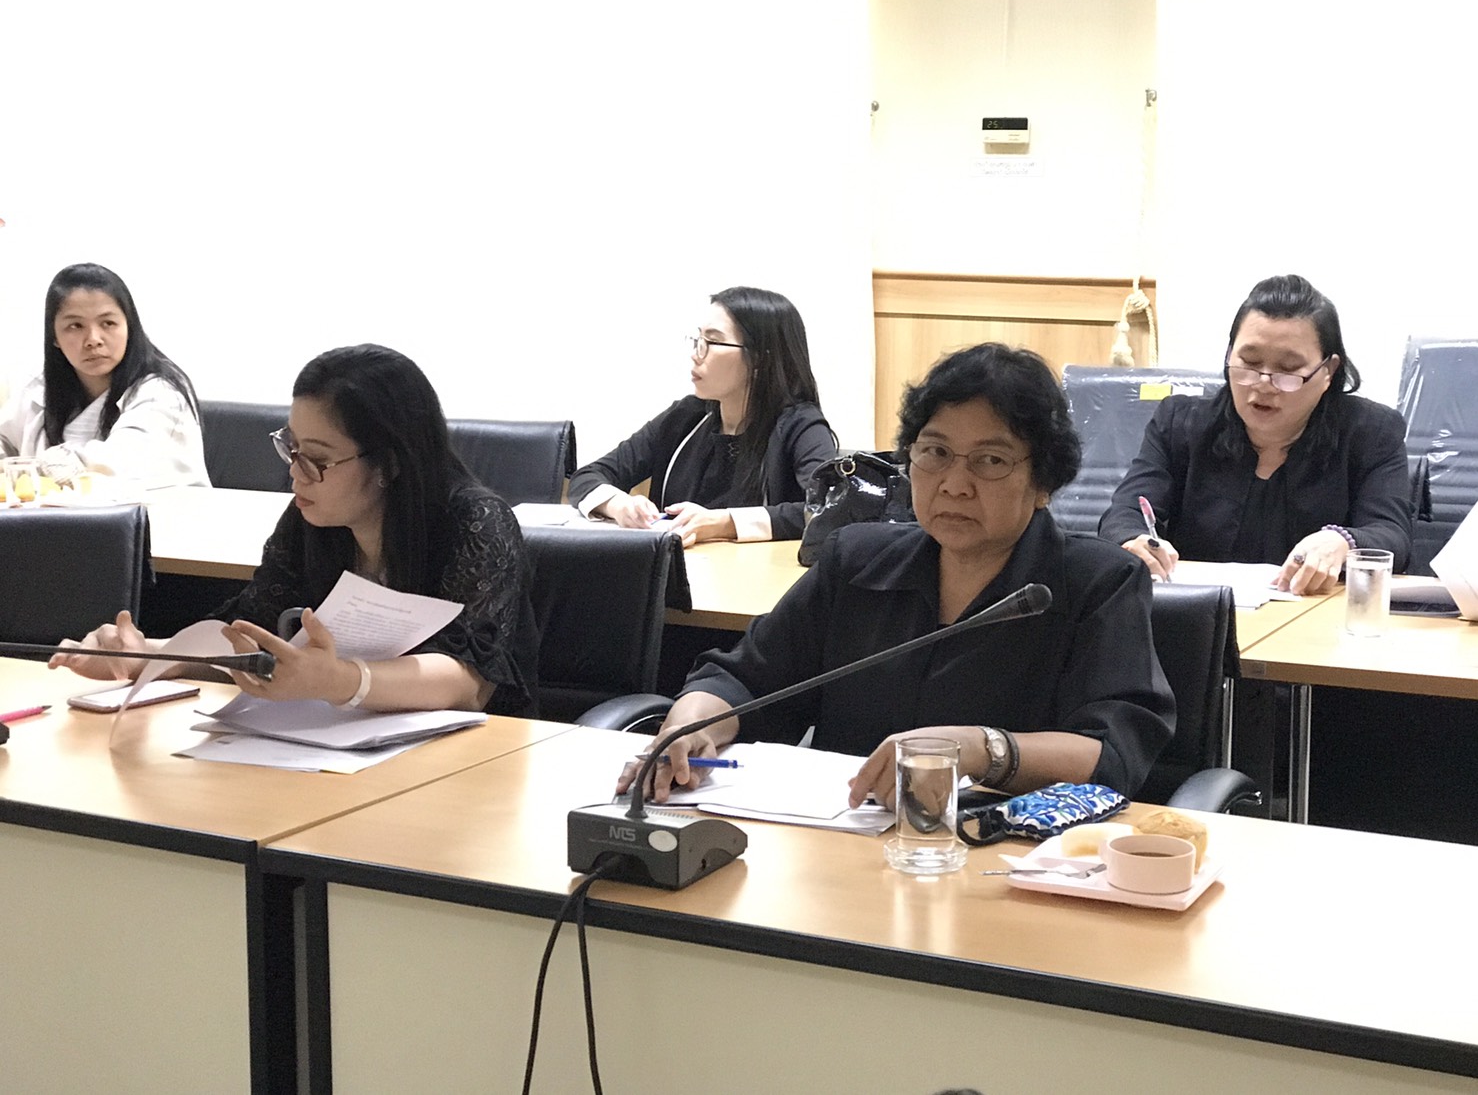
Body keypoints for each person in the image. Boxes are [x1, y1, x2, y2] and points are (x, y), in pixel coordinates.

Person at [617, 342, 1175, 805]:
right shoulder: (857, 559)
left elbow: (1113, 755)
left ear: (1044, 482)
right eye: (934, 452)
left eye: (991, 460)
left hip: (1006, 856)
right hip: (846, 844)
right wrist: (688, 727)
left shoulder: (1098, 582)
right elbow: (743, 680)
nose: (954, 484)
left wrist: (981, 749)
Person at [52, 344, 538, 716]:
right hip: (332, 744)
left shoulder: (476, 522)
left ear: (389, 463)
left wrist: (339, 680)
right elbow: (251, 635)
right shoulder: (311, 519)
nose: (295, 473)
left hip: (476, 757)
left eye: (318, 459)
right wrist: (150, 656)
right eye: (292, 447)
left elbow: (470, 680)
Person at [1099, 274, 1412, 594]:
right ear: (1229, 355)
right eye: (1249, 362)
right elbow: (1124, 514)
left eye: (1288, 369)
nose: (1264, 384)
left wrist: (1343, 541)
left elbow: (1392, 535)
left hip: (1318, 613)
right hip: (1203, 612)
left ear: (1327, 371)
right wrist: (1134, 540)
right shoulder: (1180, 424)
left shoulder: (1371, 432)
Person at [567, 286, 836, 547]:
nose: (696, 355)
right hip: (680, 570)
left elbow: (829, 508)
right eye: (698, 340)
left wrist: (723, 523)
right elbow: (588, 476)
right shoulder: (686, 416)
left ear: (759, 360)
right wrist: (618, 505)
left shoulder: (801, 424)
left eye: (713, 342)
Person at [0, 263, 209, 488]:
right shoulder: (38, 389)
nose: (93, 339)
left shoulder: (162, 392)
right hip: (56, 510)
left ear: (129, 327)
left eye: (108, 323)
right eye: (75, 326)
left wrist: (45, 465)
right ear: (54, 337)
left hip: (153, 510)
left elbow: (122, 461)